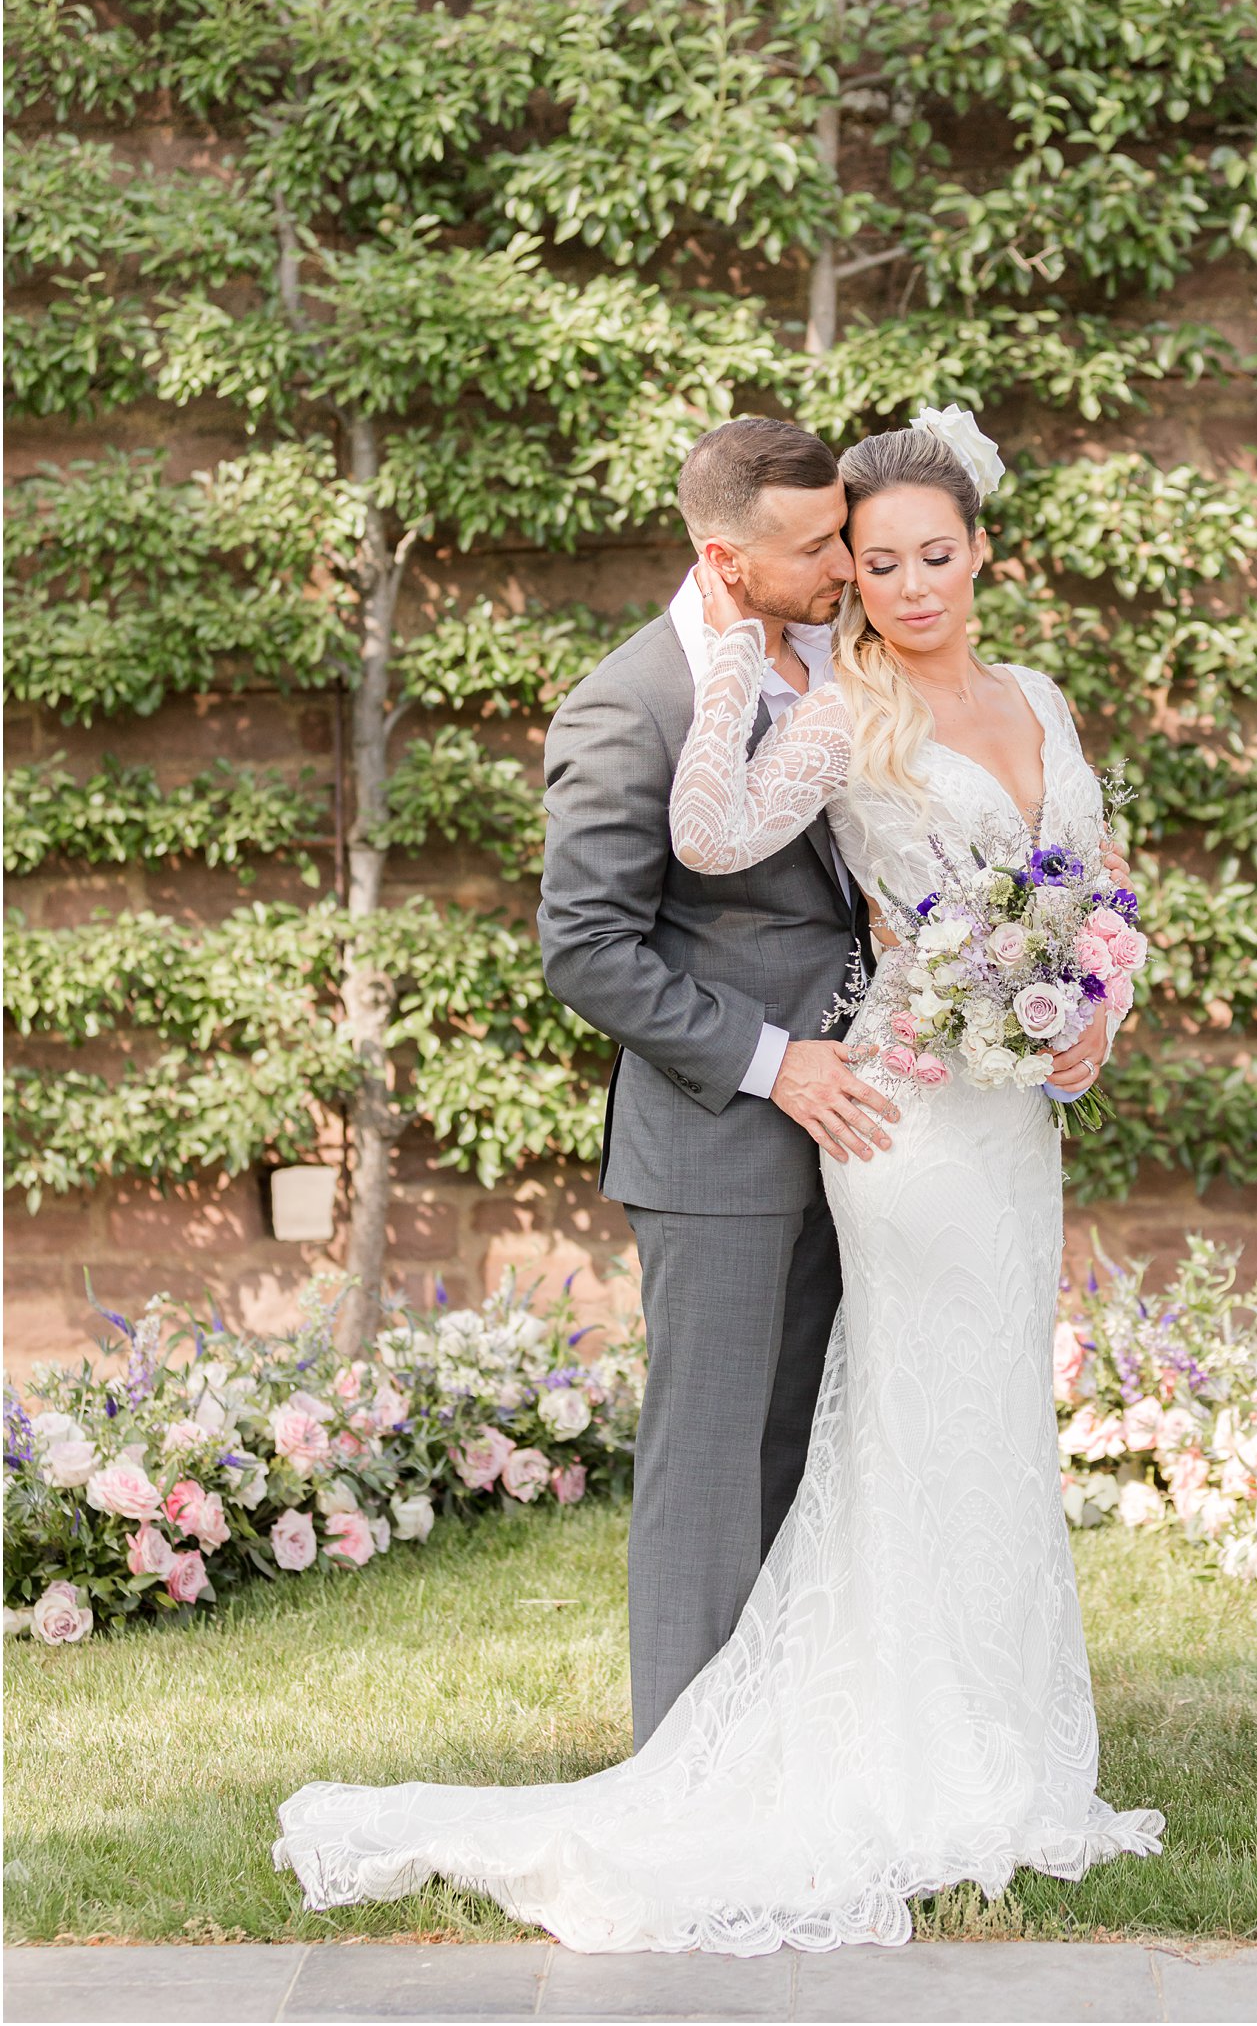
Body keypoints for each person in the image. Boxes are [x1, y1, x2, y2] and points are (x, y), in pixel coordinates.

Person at [274, 409, 1161, 1952]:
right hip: (792, 1112)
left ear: (981, 552)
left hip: (964, 1117)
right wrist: (781, 1053)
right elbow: (600, 934)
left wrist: (1088, 1007)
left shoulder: (943, 678)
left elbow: (1064, 892)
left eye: (897, 549)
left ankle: (976, 1736)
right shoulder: (675, 693)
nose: (868, 574)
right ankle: (693, 1775)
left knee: (898, 1435)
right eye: (841, 551)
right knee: (721, 1465)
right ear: (731, 558)